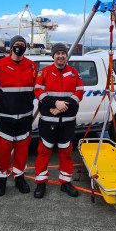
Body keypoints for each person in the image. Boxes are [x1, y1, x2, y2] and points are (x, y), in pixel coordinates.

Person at [33, 43, 84, 198]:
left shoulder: (75, 73)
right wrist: (54, 104)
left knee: (66, 152)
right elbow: (38, 91)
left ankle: (66, 182)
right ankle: (41, 183)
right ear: (53, 56)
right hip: (48, 122)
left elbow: (79, 93)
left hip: (68, 122)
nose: (61, 56)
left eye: (63, 53)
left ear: (66, 56)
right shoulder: (44, 72)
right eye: (58, 53)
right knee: (44, 151)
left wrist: (62, 107)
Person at [0, 35, 37, 196]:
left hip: (25, 117)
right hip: (5, 117)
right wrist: (3, 102)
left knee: (22, 150)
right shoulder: (0, 65)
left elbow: (36, 89)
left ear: (25, 47)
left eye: (22, 44)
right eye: (16, 44)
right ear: (11, 47)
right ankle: (1, 179)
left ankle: (19, 177)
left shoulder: (31, 66)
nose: (19, 46)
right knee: (3, 150)